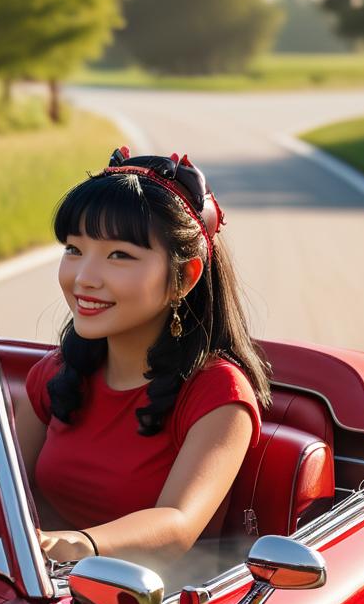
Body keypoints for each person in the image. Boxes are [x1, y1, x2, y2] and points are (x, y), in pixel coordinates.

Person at [15, 147, 270, 567]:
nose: (83, 278)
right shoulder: (55, 373)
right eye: (74, 249)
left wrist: (72, 545)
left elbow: (176, 525)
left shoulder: (218, 392)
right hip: (37, 591)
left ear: (183, 277)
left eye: (119, 256)